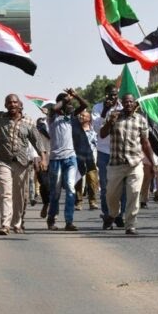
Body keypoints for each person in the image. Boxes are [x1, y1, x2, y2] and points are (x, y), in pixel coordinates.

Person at [0, 91, 47, 235]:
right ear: (5, 105)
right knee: (5, 193)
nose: (12, 104)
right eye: (9, 102)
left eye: (15, 102)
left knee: (19, 195)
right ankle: (5, 224)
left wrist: (43, 158)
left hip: (22, 163)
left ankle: (17, 223)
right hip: (3, 161)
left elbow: (37, 142)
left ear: (19, 105)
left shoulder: (29, 122)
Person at [99, 93, 156, 235]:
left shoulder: (141, 120)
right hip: (115, 163)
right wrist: (109, 122)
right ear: (122, 103)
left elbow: (145, 142)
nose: (128, 104)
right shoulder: (113, 116)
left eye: (131, 102)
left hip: (135, 163)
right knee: (111, 194)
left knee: (134, 194)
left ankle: (130, 224)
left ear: (135, 104)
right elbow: (102, 134)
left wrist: (152, 162)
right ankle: (113, 214)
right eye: (126, 101)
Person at [45, 89, 88, 231]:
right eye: (66, 103)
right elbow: (53, 108)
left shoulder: (70, 117)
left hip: (70, 158)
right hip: (56, 159)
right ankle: (51, 219)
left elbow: (84, 105)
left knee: (70, 188)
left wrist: (75, 95)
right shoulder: (51, 116)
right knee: (56, 192)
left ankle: (69, 221)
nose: (70, 105)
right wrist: (65, 99)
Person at [92, 85, 125, 227]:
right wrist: (105, 110)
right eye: (111, 94)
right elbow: (97, 129)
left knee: (123, 186)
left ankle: (120, 215)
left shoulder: (124, 106)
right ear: (106, 95)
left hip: (120, 151)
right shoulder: (98, 108)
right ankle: (108, 215)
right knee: (105, 187)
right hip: (104, 151)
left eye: (116, 94)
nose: (113, 97)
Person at [73, 109, 99, 210]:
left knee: (92, 179)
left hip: (90, 157)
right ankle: (78, 202)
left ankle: (92, 201)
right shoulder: (75, 130)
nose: (81, 117)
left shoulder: (92, 131)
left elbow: (95, 144)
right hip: (78, 157)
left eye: (83, 116)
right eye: (80, 115)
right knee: (79, 179)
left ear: (88, 118)